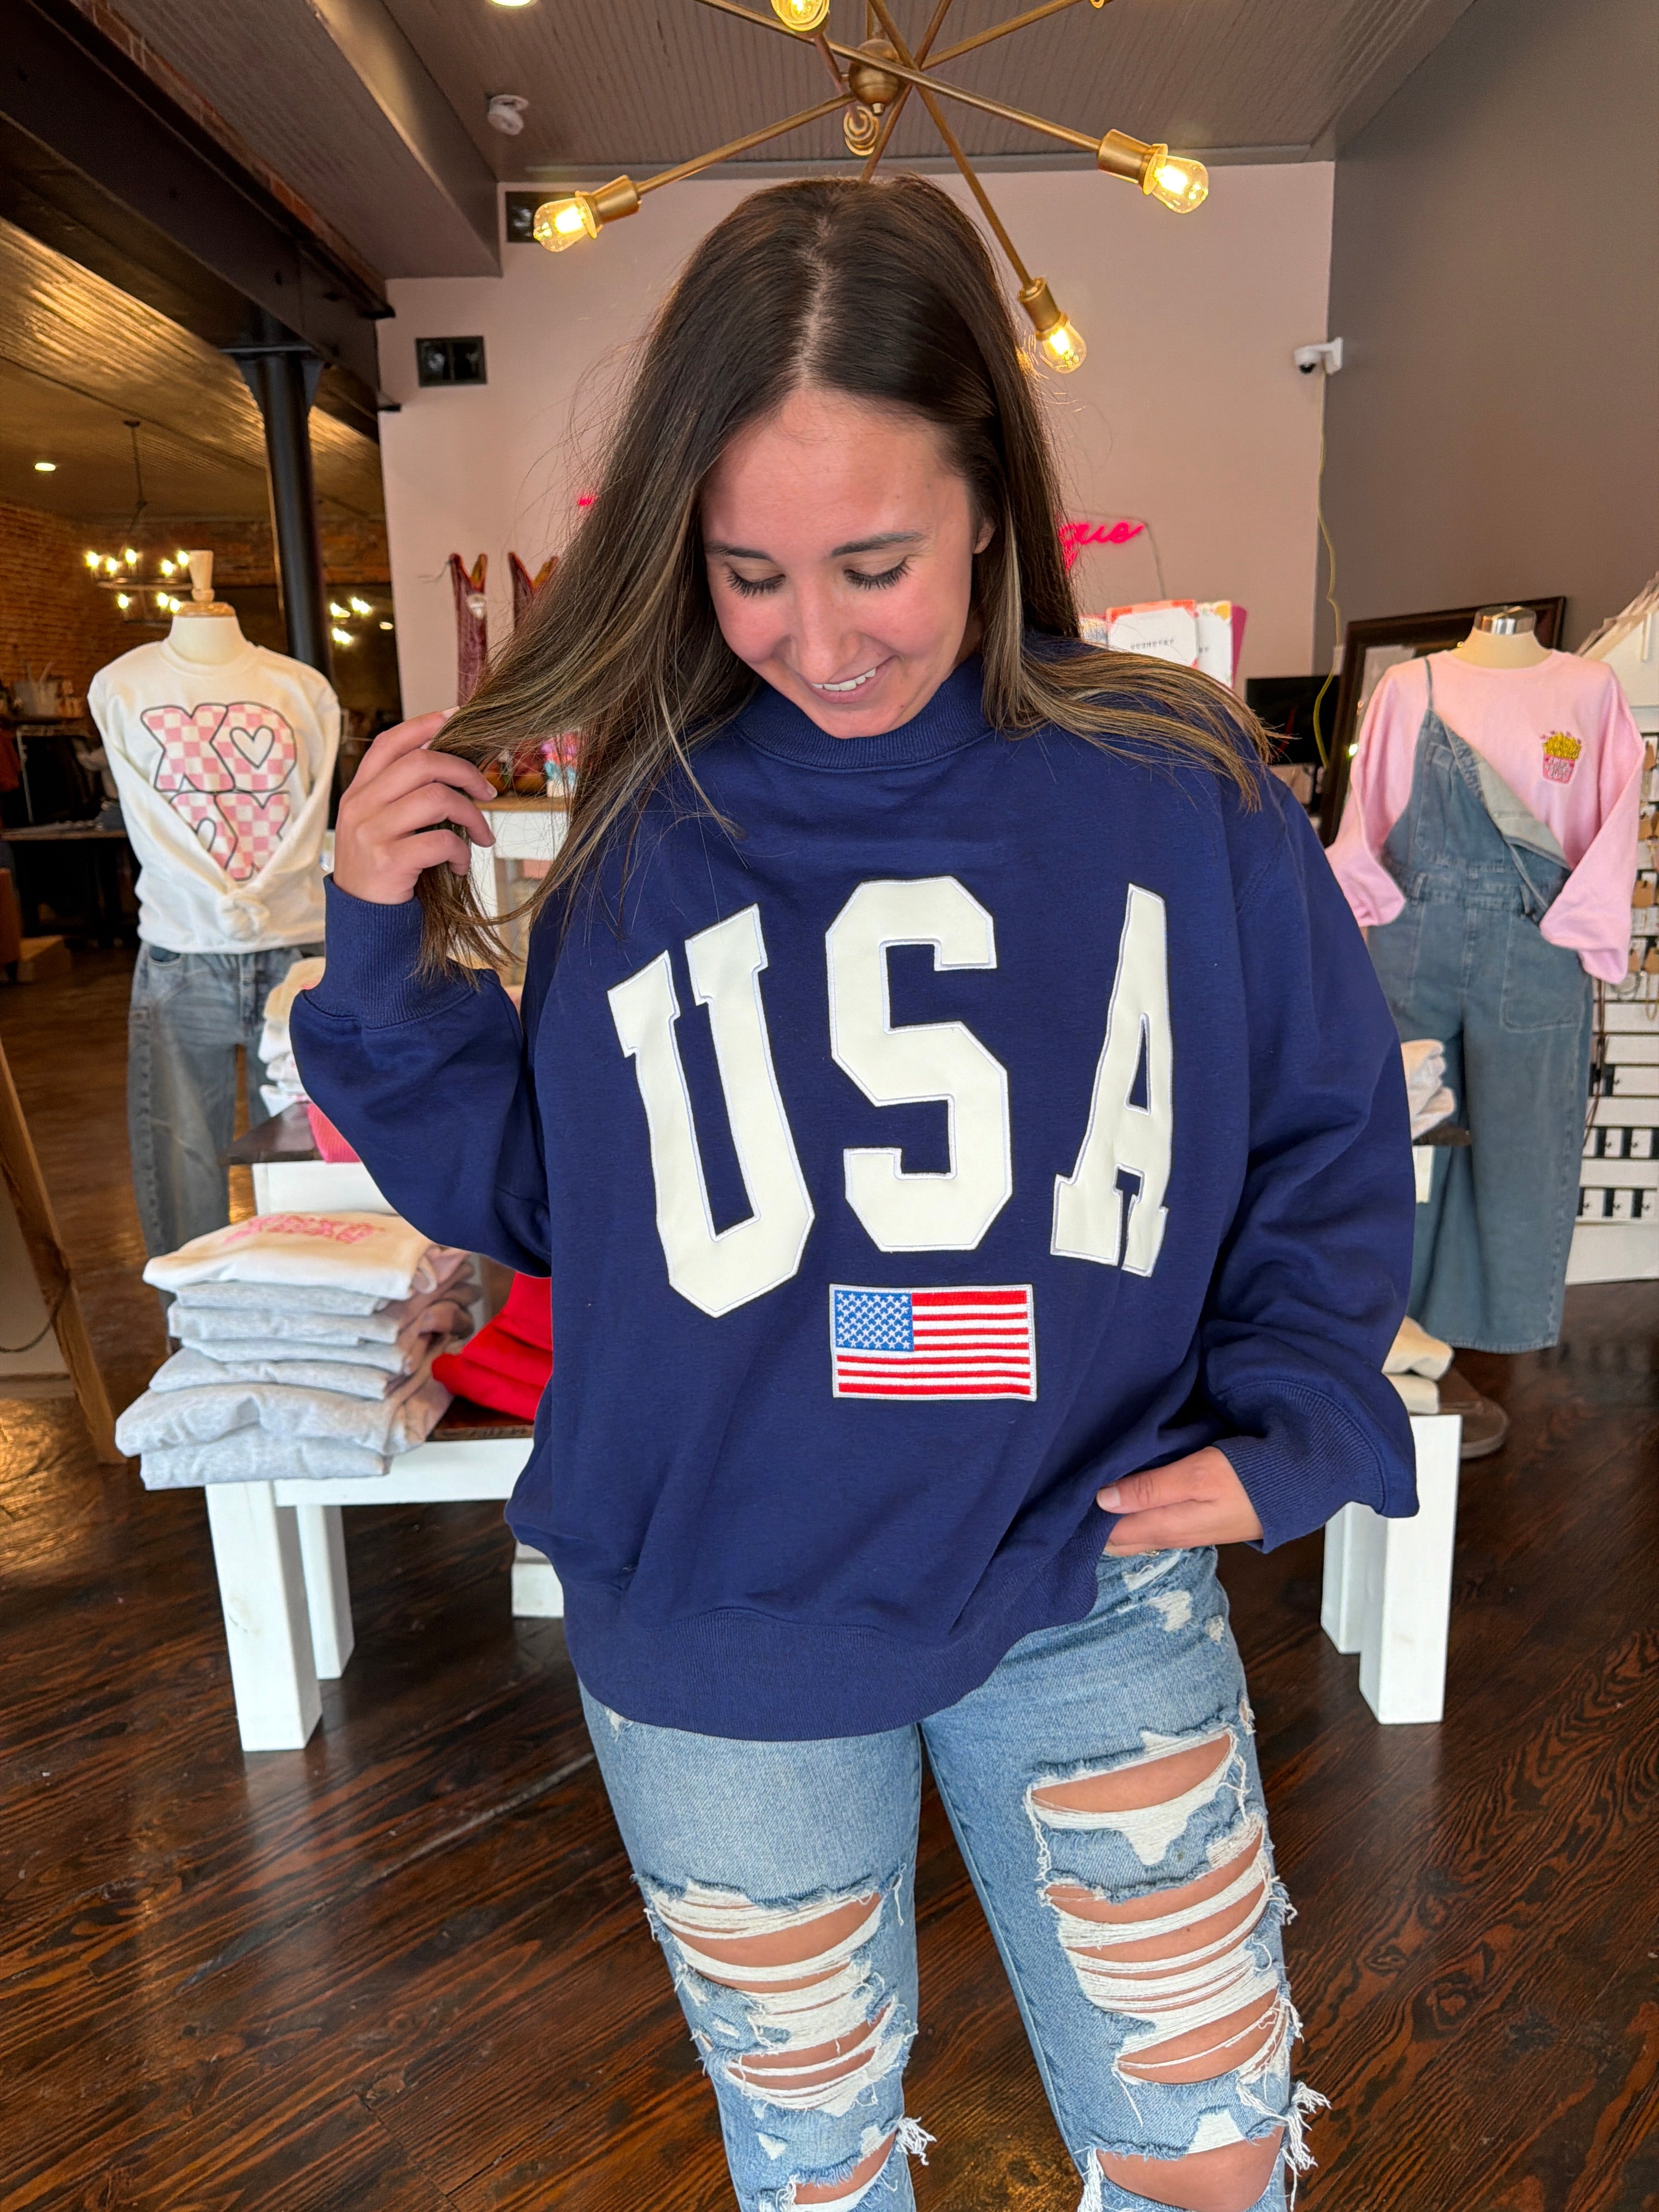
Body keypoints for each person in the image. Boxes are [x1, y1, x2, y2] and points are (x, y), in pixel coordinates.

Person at [292, 177, 1414, 2212]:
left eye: (875, 563)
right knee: (815, 2171)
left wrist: (1302, 1413)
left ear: (990, 498)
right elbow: (554, 1197)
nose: (819, 641)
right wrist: (378, 936)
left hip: (1092, 1565)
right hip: (721, 1613)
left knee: (1213, 2151)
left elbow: (1318, 1124)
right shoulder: (655, 823)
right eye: (749, 575)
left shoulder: (1175, 785)